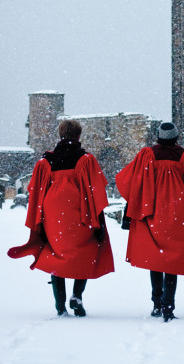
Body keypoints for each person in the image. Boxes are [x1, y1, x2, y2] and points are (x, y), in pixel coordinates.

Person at [115, 122, 184, 322]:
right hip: (177, 214)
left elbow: (130, 182)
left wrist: (132, 211)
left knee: (155, 260)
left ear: (158, 137)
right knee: (173, 262)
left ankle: (156, 303)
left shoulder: (147, 155)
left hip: (151, 212)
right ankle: (168, 305)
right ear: (176, 137)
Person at [8, 119, 114, 317]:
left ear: (60, 135)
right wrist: (98, 223)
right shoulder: (86, 159)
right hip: (80, 211)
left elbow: (36, 191)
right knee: (85, 252)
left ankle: (60, 304)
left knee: (56, 254)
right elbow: (96, 191)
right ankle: (76, 296)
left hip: (53, 213)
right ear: (79, 136)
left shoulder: (46, 161)